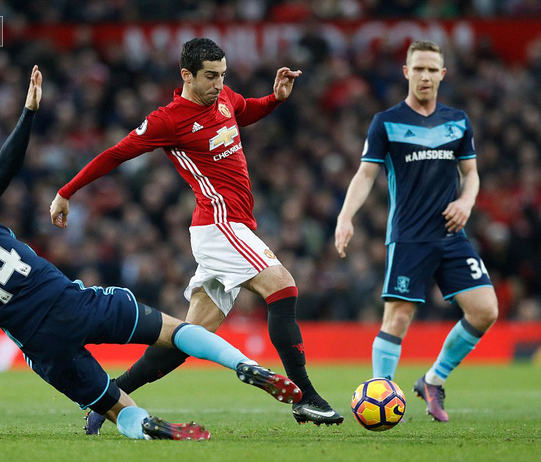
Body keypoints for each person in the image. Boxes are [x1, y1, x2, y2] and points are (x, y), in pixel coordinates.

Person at [0, 66, 303, 442]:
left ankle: (144, 424)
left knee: (112, 406)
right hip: (71, 302)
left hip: (38, 342)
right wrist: (29, 113)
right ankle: (243, 365)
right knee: (175, 331)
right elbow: (6, 167)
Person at [50, 37, 344, 429]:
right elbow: (115, 153)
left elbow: (245, 110)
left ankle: (107, 398)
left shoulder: (224, 99)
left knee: (187, 337)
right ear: (186, 75)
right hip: (220, 224)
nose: (219, 84)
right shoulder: (168, 120)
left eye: (222, 75)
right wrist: (66, 192)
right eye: (210, 77)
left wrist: (274, 99)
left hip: (230, 226)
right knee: (283, 286)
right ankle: (305, 397)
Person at [334, 40, 498, 422]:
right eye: (418, 68)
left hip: (451, 234)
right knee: (397, 318)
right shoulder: (386, 122)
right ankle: (381, 398)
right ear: (407, 72)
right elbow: (366, 174)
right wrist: (346, 217)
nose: (425, 76)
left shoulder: (457, 121)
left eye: (432, 69)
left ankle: (432, 380)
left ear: (442, 74)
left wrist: (466, 203)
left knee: (485, 310)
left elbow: (471, 174)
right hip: (409, 236)